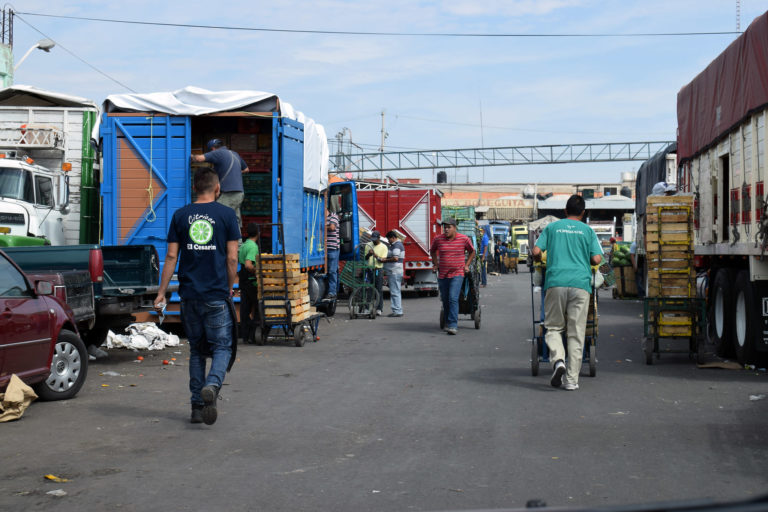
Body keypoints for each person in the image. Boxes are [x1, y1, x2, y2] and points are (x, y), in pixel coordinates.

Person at [154, 167, 240, 425]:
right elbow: (233, 257)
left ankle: (196, 408)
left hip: (189, 296)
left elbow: (171, 256)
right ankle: (212, 385)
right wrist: (229, 286)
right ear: (217, 188)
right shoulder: (227, 215)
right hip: (215, 294)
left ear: (194, 188)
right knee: (222, 346)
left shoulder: (180, 215)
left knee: (197, 351)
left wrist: (161, 292)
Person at [531, 194, 602, 391]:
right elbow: (597, 259)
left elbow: (536, 252)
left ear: (564, 211)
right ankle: (571, 380)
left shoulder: (552, 227)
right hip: (581, 285)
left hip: (556, 282)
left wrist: (537, 261)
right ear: (583, 213)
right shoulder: (587, 231)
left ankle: (558, 361)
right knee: (576, 332)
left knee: (553, 327)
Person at [429, 218, 476, 335]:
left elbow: (472, 251)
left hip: (458, 273)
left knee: (453, 298)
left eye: (449, 227)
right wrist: (435, 264)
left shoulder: (464, 239)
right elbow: (432, 251)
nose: (446, 229)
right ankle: (447, 321)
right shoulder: (438, 239)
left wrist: (467, 265)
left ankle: (453, 325)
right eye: (445, 227)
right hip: (443, 274)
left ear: (455, 228)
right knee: (445, 299)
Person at [191, 139, 250, 227]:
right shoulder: (234, 154)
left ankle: (220, 240)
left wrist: (187, 154)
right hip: (239, 194)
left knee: (215, 216)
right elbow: (246, 169)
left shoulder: (217, 153)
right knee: (234, 221)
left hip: (229, 194)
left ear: (212, 149)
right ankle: (238, 240)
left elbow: (199, 159)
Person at [238, 222, 260, 344]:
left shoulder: (244, 245)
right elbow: (248, 264)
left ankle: (245, 335)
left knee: (245, 308)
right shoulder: (253, 246)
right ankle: (253, 334)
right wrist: (258, 271)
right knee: (257, 307)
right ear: (258, 233)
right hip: (251, 282)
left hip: (243, 280)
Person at [364, 230, 388, 316]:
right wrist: (369, 254)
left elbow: (383, 260)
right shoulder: (368, 245)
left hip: (378, 269)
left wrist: (375, 255)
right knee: (369, 289)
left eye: (375, 239)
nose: (373, 241)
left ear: (379, 238)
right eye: (372, 239)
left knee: (379, 289)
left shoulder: (384, 247)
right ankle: (367, 308)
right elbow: (365, 258)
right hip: (369, 269)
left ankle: (379, 308)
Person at [383, 231, 405, 317]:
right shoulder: (396, 245)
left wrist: (385, 260)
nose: (388, 241)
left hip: (394, 271)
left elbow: (395, 258)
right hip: (395, 271)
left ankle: (397, 311)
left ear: (393, 237)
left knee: (395, 291)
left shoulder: (396, 245)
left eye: (389, 239)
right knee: (396, 291)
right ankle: (397, 310)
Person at [325, 207, 340, 299]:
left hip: (333, 248)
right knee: (326, 272)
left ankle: (332, 292)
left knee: (332, 271)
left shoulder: (333, 216)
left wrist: (322, 226)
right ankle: (327, 291)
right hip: (324, 249)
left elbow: (332, 227)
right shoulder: (322, 218)